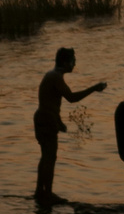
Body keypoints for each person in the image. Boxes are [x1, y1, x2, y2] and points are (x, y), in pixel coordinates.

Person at [33, 47, 107, 204]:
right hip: (45, 120)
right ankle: (47, 193)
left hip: (45, 119)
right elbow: (72, 98)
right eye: (73, 61)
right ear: (65, 62)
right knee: (50, 157)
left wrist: (59, 122)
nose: (75, 64)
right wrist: (94, 88)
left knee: (46, 156)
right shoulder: (55, 77)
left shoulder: (53, 76)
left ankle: (40, 191)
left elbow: (51, 101)